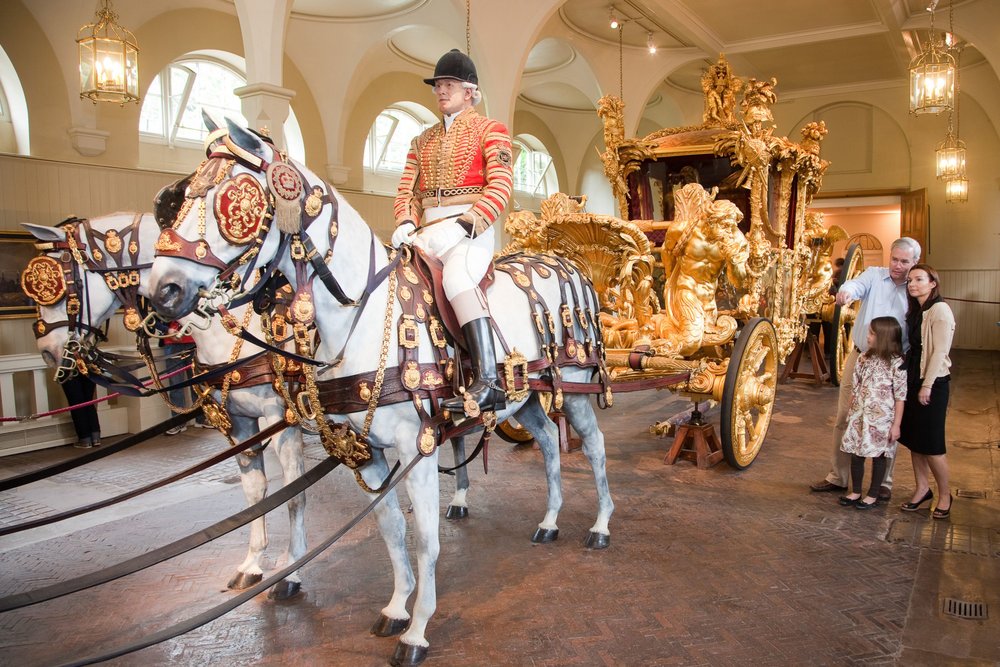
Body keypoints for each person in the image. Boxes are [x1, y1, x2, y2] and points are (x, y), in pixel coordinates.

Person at [391, 49, 514, 416]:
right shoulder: (421, 141)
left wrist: (465, 225)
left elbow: (501, 186)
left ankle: (489, 380)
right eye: (438, 85)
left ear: (469, 92)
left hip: (470, 230)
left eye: (449, 85)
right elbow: (407, 191)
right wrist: (405, 221)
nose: (441, 91)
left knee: (458, 279)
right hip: (427, 230)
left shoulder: (491, 130)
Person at [810, 237, 921, 500]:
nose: (897, 265)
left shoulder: (915, 287)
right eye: (894, 259)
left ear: (915, 262)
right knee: (844, 417)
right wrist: (846, 292)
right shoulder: (874, 275)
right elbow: (855, 284)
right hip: (861, 357)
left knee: (888, 423)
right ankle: (838, 477)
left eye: (904, 261)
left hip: (894, 363)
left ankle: (883, 483)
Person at [897, 264, 955, 519]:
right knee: (915, 440)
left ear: (933, 283)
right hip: (913, 379)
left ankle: (945, 495)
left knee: (932, 445)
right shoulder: (917, 310)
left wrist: (927, 385)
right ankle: (922, 489)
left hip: (933, 382)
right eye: (910, 280)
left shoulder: (940, 309)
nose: (912, 284)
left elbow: (940, 351)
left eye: (919, 279)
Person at [838, 317, 906, 509]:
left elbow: (900, 397)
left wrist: (896, 425)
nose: (867, 337)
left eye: (872, 334)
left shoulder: (897, 364)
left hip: (882, 420)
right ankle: (856, 491)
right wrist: (850, 412)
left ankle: (873, 494)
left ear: (883, 337)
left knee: (879, 456)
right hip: (860, 416)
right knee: (856, 455)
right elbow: (856, 387)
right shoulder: (864, 358)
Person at [161, 320, 208, 434]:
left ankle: (201, 419)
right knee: (176, 385)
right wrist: (167, 330)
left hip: (193, 341)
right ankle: (179, 422)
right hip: (171, 343)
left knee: (197, 383)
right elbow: (153, 320)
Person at [61, 373, 101, 449]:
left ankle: (85, 439)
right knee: (88, 401)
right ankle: (95, 437)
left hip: (68, 369)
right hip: (88, 368)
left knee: (76, 403)